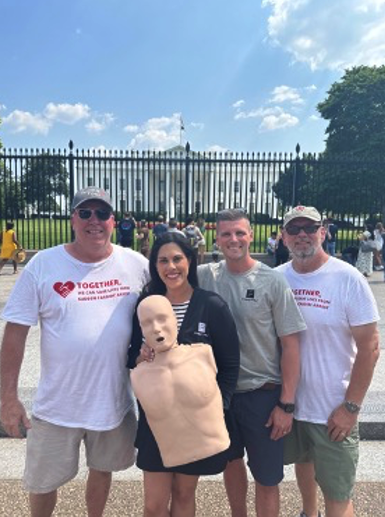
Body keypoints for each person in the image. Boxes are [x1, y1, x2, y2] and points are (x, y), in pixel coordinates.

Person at [0, 187, 149, 517]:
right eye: (85, 213)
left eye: (101, 214)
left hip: (112, 399)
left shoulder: (135, 265)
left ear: (114, 220)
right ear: (73, 219)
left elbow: (162, 313)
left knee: (102, 468)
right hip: (57, 404)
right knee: (41, 482)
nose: (93, 221)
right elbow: (15, 332)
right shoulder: (44, 264)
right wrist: (7, 398)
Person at [198, 209, 306, 517]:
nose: (233, 239)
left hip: (263, 394)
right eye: (226, 234)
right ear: (216, 238)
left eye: (240, 233)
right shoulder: (206, 276)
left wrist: (286, 404)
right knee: (231, 464)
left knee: (267, 477)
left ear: (251, 236)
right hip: (222, 394)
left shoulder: (272, 281)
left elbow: (291, 345)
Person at [277, 205, 380, 517]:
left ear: (323, 232)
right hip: (292, 405)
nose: (302, 235)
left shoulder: (347, 278)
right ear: (284, 237)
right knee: (303, 465)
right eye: (294, 229)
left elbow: (370, 348)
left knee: (337, 491)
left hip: (333, 408)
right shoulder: (277, 278)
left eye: (310, 227)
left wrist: (351, 407)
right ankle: (309, 513)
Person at [127, 233, 240, 517]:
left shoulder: (211, 306)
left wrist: (219, 404)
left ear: (190, 260)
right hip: (157, 419)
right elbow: (129, 354)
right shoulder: (146, 304)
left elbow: (230, 364)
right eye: (163, 260)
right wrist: (139, 356)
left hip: (194, 419)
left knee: (184, 494)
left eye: (177, 258)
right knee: (153, 505)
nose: (171, 266)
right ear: (155, 265)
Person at [131, 295, 230, 468]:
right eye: (147, 323)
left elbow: (230, 366)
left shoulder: (203, 353)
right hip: (168, 456)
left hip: (214, 445)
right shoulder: (138, 374)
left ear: (175, 319)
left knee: (185, 494)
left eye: (162, 319)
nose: (156, 328)